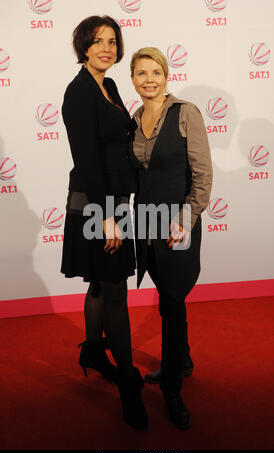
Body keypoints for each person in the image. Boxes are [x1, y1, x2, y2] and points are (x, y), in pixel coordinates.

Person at [61, 16, 147, 430]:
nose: (107, 49)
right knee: (115, 289)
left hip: (115, 202)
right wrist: (108, 216)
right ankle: (129, 382)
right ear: (84, 46)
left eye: (112, 41)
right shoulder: (78, 93)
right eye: (98, 42)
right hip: (97, 204)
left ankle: (94, 351)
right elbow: (88, 162)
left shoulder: (109, 86)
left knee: (100, 281)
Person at [129, 47, 212, 429]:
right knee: (166, 296)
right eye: (141, 73)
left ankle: (173, 390)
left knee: (174, 300)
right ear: (132, 79)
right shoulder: (133, 118)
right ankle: (184, 359)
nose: (149, 79)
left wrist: (187, 217)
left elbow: (202, 174)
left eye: (155, 72)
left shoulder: (186, 113)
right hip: (146, 225)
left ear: (166, 75)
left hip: (177, 225)